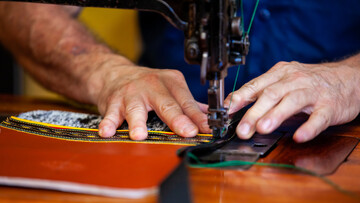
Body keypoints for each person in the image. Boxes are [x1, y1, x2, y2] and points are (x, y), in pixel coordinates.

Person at [0, 1, 359, 143]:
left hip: (336, 136)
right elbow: (21, 8)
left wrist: (349, 78)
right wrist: (106, 72)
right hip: (159, 118)